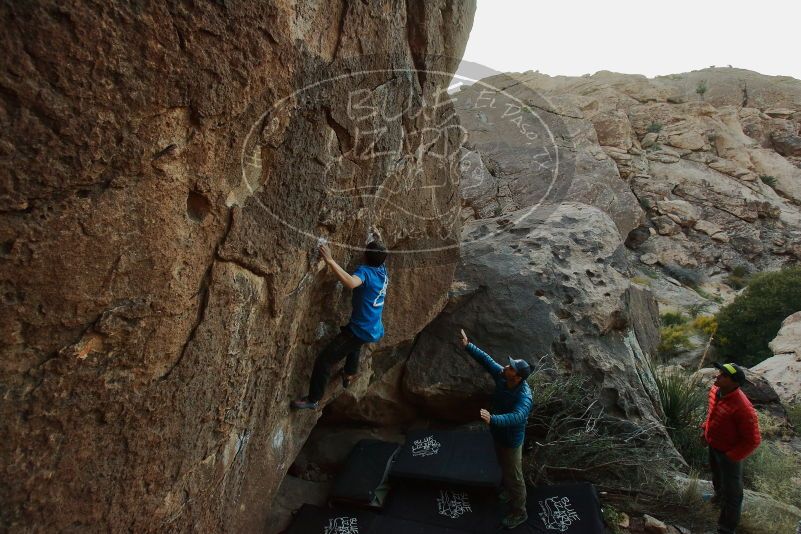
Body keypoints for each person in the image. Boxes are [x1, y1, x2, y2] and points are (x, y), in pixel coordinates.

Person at [291, 241, 388, 410]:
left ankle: (313, 399)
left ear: (365, 256)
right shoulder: (383, 271)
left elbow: (351, 283)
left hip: (360, 330)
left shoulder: (365, 272)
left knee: (324, 360)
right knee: (354, 345)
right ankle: (349, 373)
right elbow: (379, 256)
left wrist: (330, 260)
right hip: (373, 327)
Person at [458, 328, 533, 529]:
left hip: (511, 441)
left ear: (517, 377)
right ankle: (508, 491)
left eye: (511, 367)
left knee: (515, 477)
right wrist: (468, 346)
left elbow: (516, 417)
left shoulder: (524, 397)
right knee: (504, 466)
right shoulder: (503, 375)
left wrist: (493, 419)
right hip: (498, 434)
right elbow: (486, 360)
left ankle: (520, 512)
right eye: (509, 364)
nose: (506, 366)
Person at [701, 362, 761, 534]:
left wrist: (732, 456)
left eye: (724, 375)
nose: (718, 376)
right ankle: (718, 499)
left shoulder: (743, 408)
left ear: (734, 383)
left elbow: (753, 440)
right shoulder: (715, 391)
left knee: (733, 494)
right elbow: (713, 414)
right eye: (720, 372)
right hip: (714, 444)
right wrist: (705, 431)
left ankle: (726, 528)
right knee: (717, 477)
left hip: (730, 453)